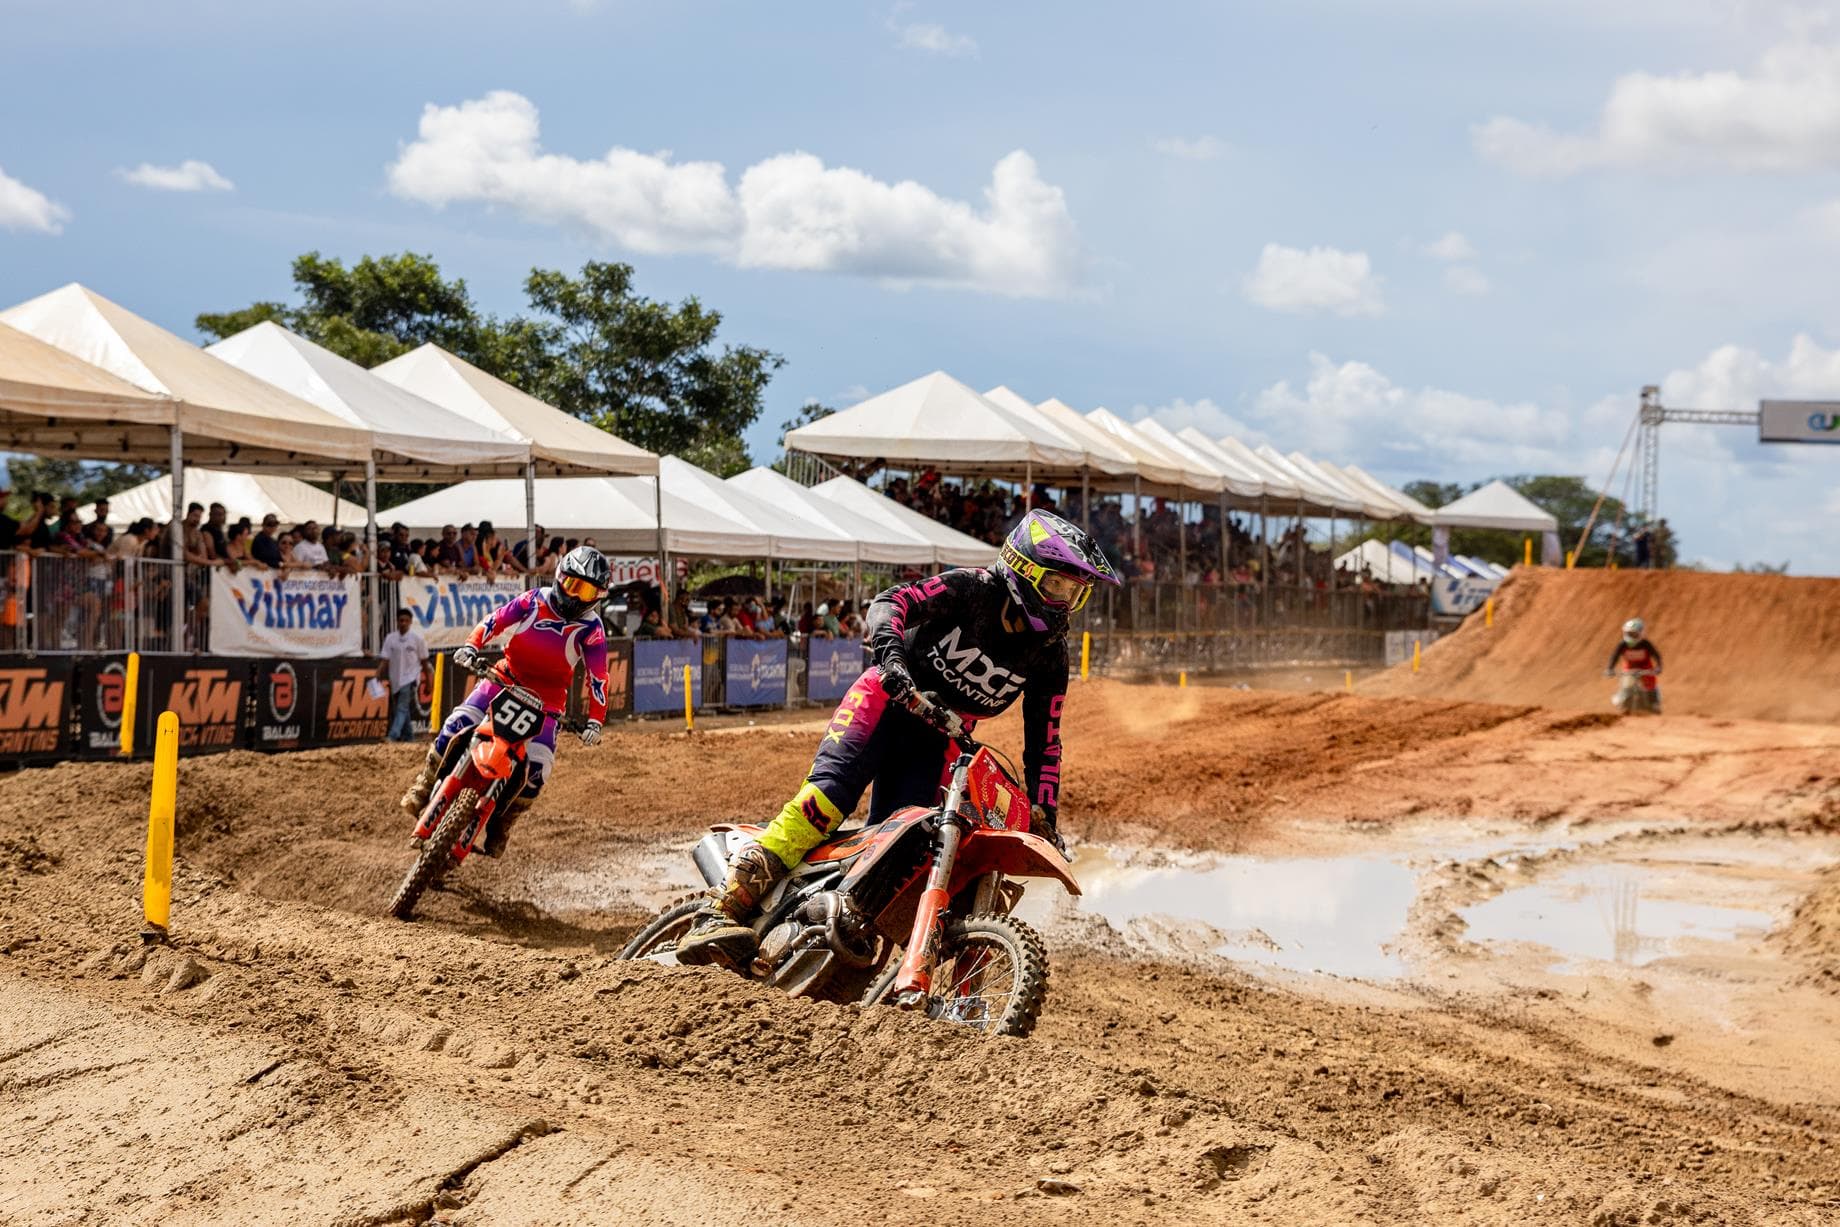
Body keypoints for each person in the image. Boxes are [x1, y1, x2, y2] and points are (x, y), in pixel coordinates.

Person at [677, 509, 1121, 967]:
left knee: (905, 846)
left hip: (939, 738)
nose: (1066, 601)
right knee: (827, 800)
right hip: (885, 702)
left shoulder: (1050, 654)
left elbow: (1045, 742)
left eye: (1076, 592)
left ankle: (832, 934)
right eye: (1059, 587)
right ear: (1024, 569)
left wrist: (1045, 811)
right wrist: (892, 662)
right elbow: (892, 602)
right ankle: (721, 908)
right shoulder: (970, 589)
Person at [399, 546, 612, 857]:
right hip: (504, 680)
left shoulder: (592, 629)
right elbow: (495, 620)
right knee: (456, 723)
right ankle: (423, 785)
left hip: (548, 703)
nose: (577, 596)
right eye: (573, 584)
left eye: (588, 589)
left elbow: (599, 678)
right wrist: (472, 645)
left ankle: (503, 823)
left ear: (599, 595)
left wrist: (595, 720)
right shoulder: (534, 599)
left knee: (538, 771)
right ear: (559, 577)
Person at [379, 608, 431, 742]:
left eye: (406, 621)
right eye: (401, 620)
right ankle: (409, 738)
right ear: (397, 621)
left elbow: (424, 661)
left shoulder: (417, 639)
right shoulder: (391, 638)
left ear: (410, 622)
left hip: (410, 678)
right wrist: (377, 674)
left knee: (401, 708)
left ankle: (393, 735)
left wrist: (429, 683)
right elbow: (385, 659)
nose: (403, 623)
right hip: (395, 679)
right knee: (403, 709)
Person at [1607, 616, 1663, 712]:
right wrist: (1609, 669)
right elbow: (1614, 656)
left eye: (1634, 634)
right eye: (1629, 633)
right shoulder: (1623, 644)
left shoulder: (1645, 644)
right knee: (1626, 685)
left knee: (1650, 684)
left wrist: (1658, 667)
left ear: (1640, 633)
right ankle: (1623, 702)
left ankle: (1654, 703)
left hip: (1646, 666)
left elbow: (1656, 655)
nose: (1631, 636)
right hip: (1629, 667)